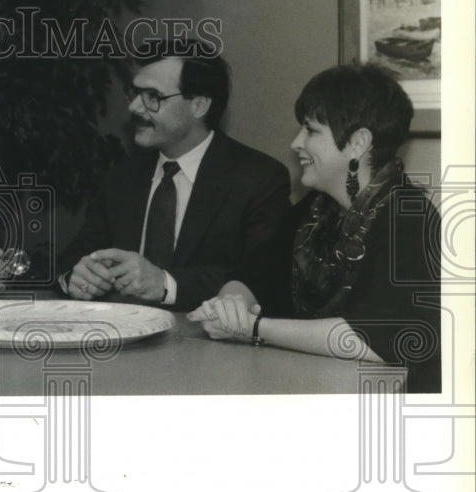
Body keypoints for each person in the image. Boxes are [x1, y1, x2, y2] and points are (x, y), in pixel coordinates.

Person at [187, 63, 441, 392]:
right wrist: (229, 304)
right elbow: (251, 275)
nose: (296, 142)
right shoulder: (315, 210)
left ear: (358, 143)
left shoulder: (411, 220)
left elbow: (377, 339)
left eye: (311, 130)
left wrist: (253, 328)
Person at [51, 40, 291, 310]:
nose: (134, 108)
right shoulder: (122, 178)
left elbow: (263, 278)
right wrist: (76, 277)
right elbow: (71, 260)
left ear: (199, 105)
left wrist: (166, 284)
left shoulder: (258, 179)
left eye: (153, 97)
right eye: (134, 93)